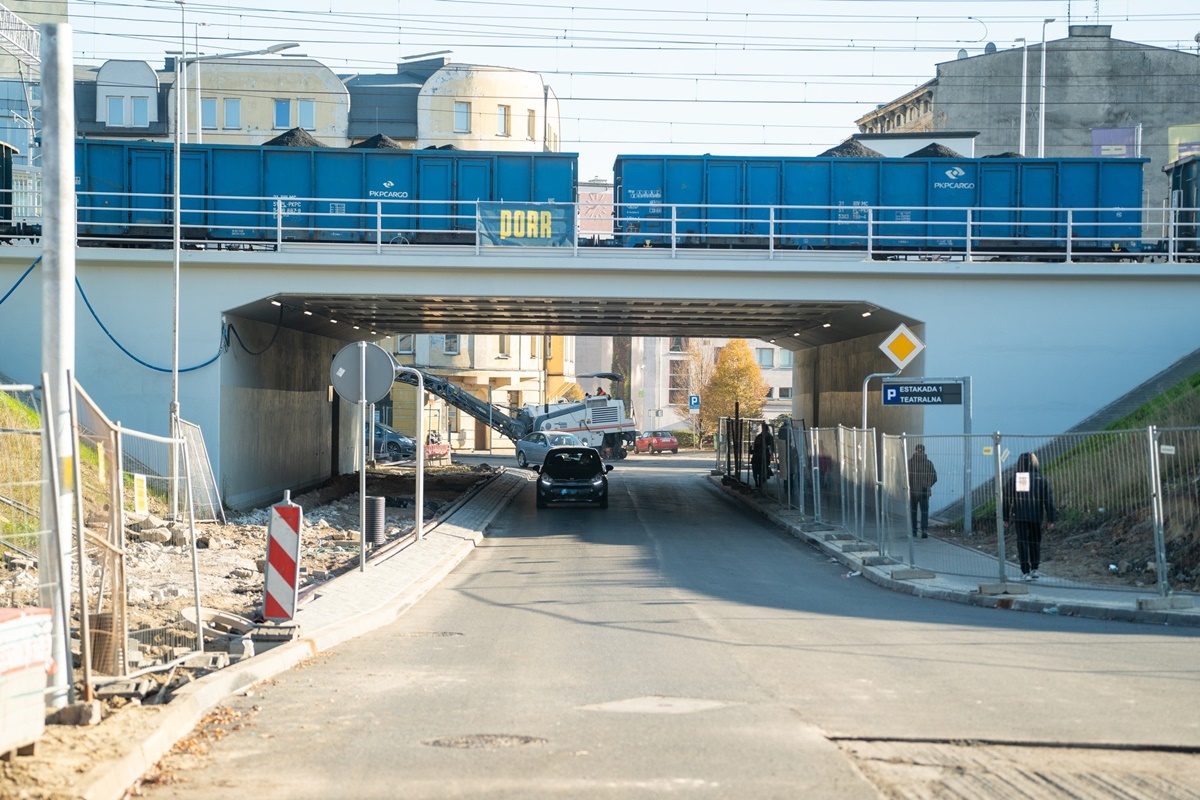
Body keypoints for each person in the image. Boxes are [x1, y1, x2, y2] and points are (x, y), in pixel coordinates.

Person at [1003, 451, 1056, 581]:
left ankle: (1025, 571)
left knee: (1022, 543)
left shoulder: (1017, 479)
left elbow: (1007, 499)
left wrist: (1005, 517)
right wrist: (1051, 518)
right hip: (1036, 516)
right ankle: (1035, 568)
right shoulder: (1041, 479)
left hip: (1020, 516)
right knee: (1035, 542)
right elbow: (1049, 500)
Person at [907, 443, 937, 538]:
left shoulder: (909, 463)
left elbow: (906, 477)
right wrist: (928, 485)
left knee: (913, 511)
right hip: (924, 491)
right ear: (924, 451)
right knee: (924, 511)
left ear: (915, 451)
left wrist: (909, 486)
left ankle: (914, 531)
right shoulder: (928, 463)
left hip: (912, 491)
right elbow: (934, 477)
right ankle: (924, 530)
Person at [750, 422, 775, 490]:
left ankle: (761, 483)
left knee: (763, 470)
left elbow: (772, 448)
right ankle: (757, 483)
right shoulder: (759, 437)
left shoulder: (769, 437)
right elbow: (755, 447)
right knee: (755, 470)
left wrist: (769, 450)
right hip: (757, 456)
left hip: (764, 456)